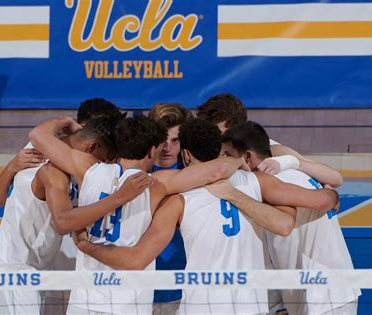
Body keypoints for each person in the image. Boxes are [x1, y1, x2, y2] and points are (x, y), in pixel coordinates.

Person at [75, 119, 340, 315]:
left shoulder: (176, 201)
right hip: (251, 307)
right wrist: (325, 195)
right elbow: (324, 200)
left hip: (201, 308)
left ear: (186, 155)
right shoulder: (257, 182)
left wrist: (86, 246)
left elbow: (136, 259)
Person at [29, 116, 247, 315]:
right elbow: (217, 170)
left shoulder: (87, 168)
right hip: (130, 303)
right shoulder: (158, 184)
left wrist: (65, 121)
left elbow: (38, 135)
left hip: (84, 300)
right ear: (152, 151)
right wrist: (239, 160)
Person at [0, 113, 141, 315]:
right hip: (13, 270)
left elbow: (40, 132)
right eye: (106, 158)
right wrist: (120, 198)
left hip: (36, 269)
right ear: (91, 147)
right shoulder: (49, 168)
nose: (103, 165)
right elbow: (62, 223)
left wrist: (64, 121)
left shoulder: (40, 145)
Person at [221, 121, 360, 315]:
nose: (223, 161)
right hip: (331, 291)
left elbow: (288, 222)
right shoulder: (294, 172)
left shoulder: (278, 185)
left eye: (227, 155)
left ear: (247, 156)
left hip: (322, 297)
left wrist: (331, 198)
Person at [196, 93, 344, 187]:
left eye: (218, 133)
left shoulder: (272, 150)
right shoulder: (205, 148)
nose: (212, 139)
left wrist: (288, 161)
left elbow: (335, 178)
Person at [148, 103, 191, 313]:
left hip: (181, 293)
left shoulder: (198, 175)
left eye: (174, 141)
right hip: (139, 292)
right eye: (162, 140)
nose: (166, 148)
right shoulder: (130, 173)